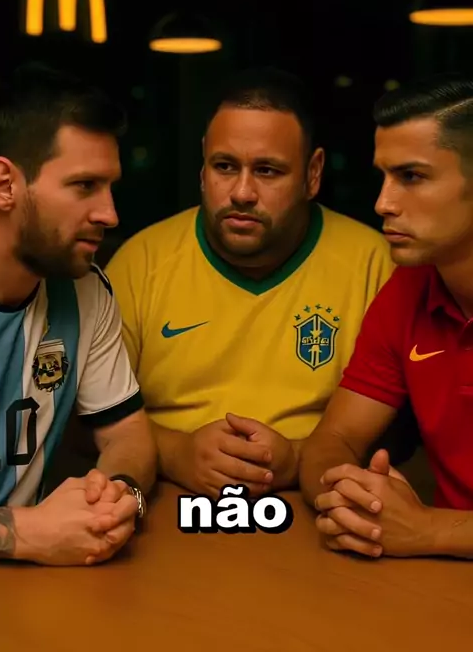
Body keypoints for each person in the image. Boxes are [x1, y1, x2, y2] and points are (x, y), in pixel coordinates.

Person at [106, 67, 399, 498]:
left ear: (313, 174)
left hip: (322, 500)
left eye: (267, 170)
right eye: (224, 166)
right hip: (167, 500)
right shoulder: (141, 262)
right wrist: (175, 453)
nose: (242, 192)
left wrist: (298, 457)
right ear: (203, 167)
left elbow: (410, 431)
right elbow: (81, 421)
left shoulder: (376, 266)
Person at [300, 73, 473, 565]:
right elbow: (332, 440)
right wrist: (353, 498)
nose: (383, 203)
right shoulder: (409, 288)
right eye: (383, 176)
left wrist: (427, 530)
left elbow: (422, 529)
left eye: (411, 177)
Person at [0, 63, 157, 570]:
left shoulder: (85, 290)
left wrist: (119, 496)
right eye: (84, 185)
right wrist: (24, 533)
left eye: (109, 187)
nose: (110, 214)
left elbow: (127, 436)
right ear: (4, 184)